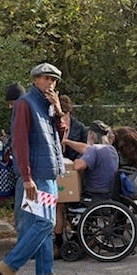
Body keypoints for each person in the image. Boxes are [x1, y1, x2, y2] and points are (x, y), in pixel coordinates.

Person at [0, 62, 73, 275]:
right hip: (36, 177)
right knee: (46, 222)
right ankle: (10, 265)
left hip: (46, 173)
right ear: (35, 80)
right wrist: (27, 177)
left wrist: (58, 112)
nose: (51, 83)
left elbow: (59, 139)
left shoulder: (46, 105)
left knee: (36, 225)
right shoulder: (25, 104)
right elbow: (19, 142)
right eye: (46, 78)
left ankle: (45, 272)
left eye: (54, 80)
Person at [53, 95, 88, 254]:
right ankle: (58, 239)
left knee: (73, 204)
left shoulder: (79, 127)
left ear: (69, 113)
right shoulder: (53, 126)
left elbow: (86, 151)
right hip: (58, 170)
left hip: (75, 171)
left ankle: (76, 236)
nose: (63, 119)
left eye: (64, 115)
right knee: (58, 205)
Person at [63, 120, 119, 199]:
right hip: (108, 193)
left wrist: (76, 160)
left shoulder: (94, 149)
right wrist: (67, 142)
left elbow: (77, 166)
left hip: (94, 194)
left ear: (91, 135)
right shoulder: (111, 149)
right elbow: (85, 148)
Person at [4, 82, 26, 236]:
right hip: (29, 171)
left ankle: (22, 250)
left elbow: (19, 140)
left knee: (21, 212)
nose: (10, 107)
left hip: (23, 172)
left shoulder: (19, 109)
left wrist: (7, 142)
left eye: (10, 103)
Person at [59, 95, 88, 161]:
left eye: (63, 116)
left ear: (68, 113)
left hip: (76, 164)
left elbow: (87, 149)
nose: (61, 120)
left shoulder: (80, 128)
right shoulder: (52, 126)